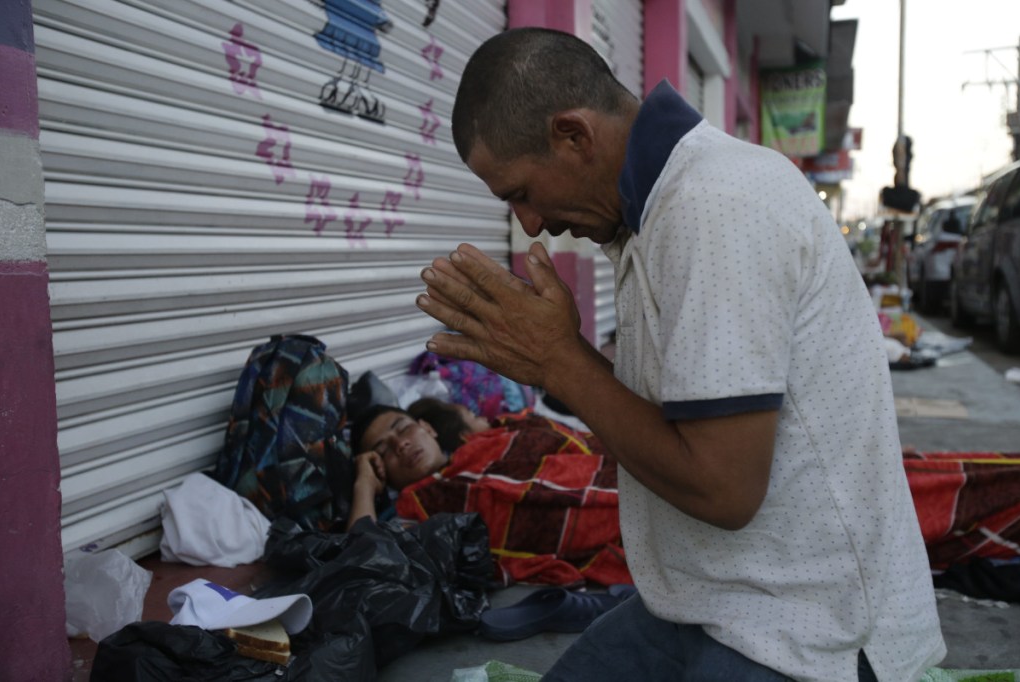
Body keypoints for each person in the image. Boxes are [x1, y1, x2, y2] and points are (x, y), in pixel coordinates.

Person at [412, 27, 945, 682]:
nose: (528, 223)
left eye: (520, 192)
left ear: (573, 136)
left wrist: (560, 362)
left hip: (811, 634)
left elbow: (724, 487)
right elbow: (672, 422)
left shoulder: (713, 205)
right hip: (710, 605)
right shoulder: (656, 211)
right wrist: (557, 361)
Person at [347, 402, 627, 586]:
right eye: (383, 449)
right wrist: (364, 485)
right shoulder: (416, 512)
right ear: (381, 470)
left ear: (428, 429)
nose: (402, 444)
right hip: (619, 531)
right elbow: (362, 561)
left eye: (403, 428)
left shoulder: (492, 440)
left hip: (628, 478)